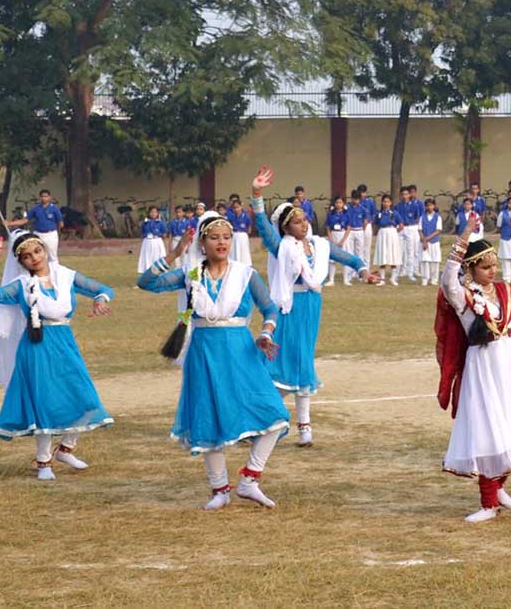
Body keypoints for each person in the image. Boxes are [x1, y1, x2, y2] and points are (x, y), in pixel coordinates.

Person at [138, 211, 290, 510]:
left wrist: (266, 333)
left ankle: (250, 479)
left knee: (274, 414)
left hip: (242, 351)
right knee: (208, 418)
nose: (222, 242)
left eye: (226, 237)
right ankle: (219, 489)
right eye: (214, 237)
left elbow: (270, 309)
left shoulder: (246, 274)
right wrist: (176, 253)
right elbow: (146, 283)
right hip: (204, 353)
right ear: (202, 243)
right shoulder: (190, 274)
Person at [435, 223, 511, 523]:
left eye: (494, 265)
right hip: (484, 367)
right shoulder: (462, 296)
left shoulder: (507, 291)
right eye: (485, 267)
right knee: (489, 428)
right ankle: (488, 502)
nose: (492, 271)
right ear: (471, 268)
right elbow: (448, 278)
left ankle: (499, 485)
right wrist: (462, 240)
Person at [251, 167, 376, 447]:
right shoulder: (280, 246)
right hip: (288, 306)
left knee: (304, 361)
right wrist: (257, 194)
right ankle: (265, 419)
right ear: (285, 228)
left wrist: (364, 271)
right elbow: (260, 223)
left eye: (304, 219)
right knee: (282, 363)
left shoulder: (318, 245)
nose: (303, 224)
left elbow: (346, 256)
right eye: (296, 222)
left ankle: (304, 426)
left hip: (311, 306)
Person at [0, 231, 115, 480]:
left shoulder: (65, 276)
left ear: (45, 250)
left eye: (37, 251)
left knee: (84, 395)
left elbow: (104, 289)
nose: (34, 258)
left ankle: (66, 448)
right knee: (43, 400)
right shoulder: (22, 285)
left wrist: (100, 300)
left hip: (64, 343)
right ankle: (43, 462)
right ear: (20, 262)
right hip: (36, 346)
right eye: (26, 256)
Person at [6, 190, 64, 264]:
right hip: (38, 234)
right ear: (40, 197)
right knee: (38, 254)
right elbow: (25, 220)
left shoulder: (54, 209)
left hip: (50, 234)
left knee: (52, 256)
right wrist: (10, 223)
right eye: (42, 196)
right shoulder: (36, 209)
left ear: (49, 197)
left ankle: (55, 273)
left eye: (46, 196)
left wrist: (57, 232)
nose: (44, 198)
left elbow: (60, 223)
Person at [373, 194, 403, 285]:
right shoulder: (379, 214)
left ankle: (393, 279)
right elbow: (375, 224)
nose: (386, 203)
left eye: (388, 202)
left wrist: (394, 232)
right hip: (382, 233)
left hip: (392, 233)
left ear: (391, 203)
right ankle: (382, 280)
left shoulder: (394, 213)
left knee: (392, 255)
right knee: (383, 255)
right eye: (384, 201)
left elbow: (401, 225)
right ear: (382, 203)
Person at [398, 185, 424, 283]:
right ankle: (402, 270)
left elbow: (418, 217)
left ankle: (411, 271)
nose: (405, 196)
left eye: (406, 194)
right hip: (402, 228)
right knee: (401, 250)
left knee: (411, 250)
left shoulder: (415, 205)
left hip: (412, 227)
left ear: (409, 195)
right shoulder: (398, 206)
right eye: (403, 194)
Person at [325, 196, 349, 286]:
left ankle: (346, 279)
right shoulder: (331, 214)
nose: (338, 204)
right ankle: (331, 280)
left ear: (343, 204)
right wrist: (331, 238)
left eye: (340, 203)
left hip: (342, 234)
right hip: (333, 234)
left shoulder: (346, 214)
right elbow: (327, 227)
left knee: (344, 258)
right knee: (332, 259)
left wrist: (343, 240)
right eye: (337, 203)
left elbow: (348, 228)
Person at [421, 199, 446, 285]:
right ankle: (425, 279)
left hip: (434, 241)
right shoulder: (422, 217)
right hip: (424, 242)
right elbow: (420, 230)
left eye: (431, 205)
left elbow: (438, 230)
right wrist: (424, 240)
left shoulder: (437, 217)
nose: (429, 207)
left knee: (435, 261)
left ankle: (434, 279)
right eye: (427, 205)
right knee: (424, 260)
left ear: (434, 206)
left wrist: (428, 238)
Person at [226, 195, 254, 267]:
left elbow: (249, 227)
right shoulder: (231, 216)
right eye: (234, 208)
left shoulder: (246, 216)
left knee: (244, 251)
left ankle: (245, 264)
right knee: (234, 251)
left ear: (241, 207)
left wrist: (246, 232)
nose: (236, 209)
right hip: (235, 234)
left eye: (238, 207)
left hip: (243, 235)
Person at [138, 206, 168, 273]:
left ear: (157, 213)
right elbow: (142, 232)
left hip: (157, 240)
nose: (153, 214)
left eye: (155, 212)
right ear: (149, 213)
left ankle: (159, 271)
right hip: (147, 241)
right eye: (151, 212)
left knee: (157, 256)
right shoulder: (145, 222)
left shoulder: (160, 222)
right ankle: (147, 271)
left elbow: (164, 233)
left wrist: (160, 238)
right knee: (147, 256)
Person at [497, 191, 511, 283]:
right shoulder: (502, 213)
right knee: (506, 259)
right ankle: (506, 278)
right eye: (510, 203)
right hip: (505, 238)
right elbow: (499, 226)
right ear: (507, 204)